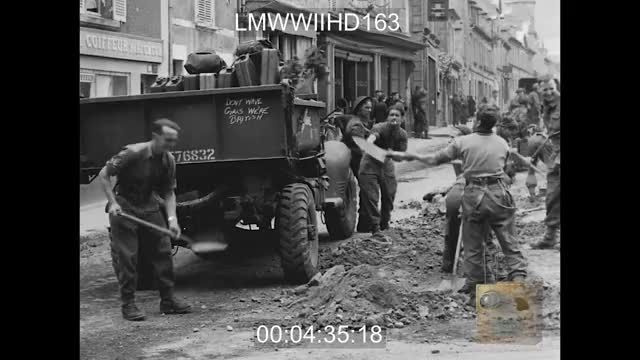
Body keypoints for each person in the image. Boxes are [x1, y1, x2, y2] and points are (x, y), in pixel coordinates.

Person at [389, 107, 528, 305]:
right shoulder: (502, 143)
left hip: (475, 195)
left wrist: (409, 156)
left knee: (473, 246)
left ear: (478, 121)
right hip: (499, 195)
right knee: (509, 243)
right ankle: (520, 285)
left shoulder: (463, 142)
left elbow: (434, 159)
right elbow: (505, 169)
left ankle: (477, 295)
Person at [98, 119, 192, 321]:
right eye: (168, 140)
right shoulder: (132, 153)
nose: (172, 145)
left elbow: (168, 192)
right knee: (128, 258)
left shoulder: (168, 160)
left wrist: (172, 219)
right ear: (156, 137)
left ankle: (168, 300)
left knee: (163, 251)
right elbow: (104, 175)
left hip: (149, 207)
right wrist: (113, 203)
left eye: (174, 140)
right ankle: (128, 305)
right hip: (125, 208)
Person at [358, 104, 408, 242]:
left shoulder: (402, 134)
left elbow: (401, 156)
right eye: (391, 115)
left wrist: (393, 153)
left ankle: (384, 224)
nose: (394, 118)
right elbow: (373, 136)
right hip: (370, 163)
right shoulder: (379, 127)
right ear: (387, 117)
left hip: (386, 164)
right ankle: (375, 228)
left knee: (389, 194)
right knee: (371, 196)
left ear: (402, 119)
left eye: (397, 115)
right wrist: (368, 142)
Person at [532, 80, 560, 249]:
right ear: (540, 90)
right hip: (556, 152)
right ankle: (550, 237)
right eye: (545, 90)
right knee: (552, 195)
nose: (549, 92)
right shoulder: (546, 106)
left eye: (551, 89)